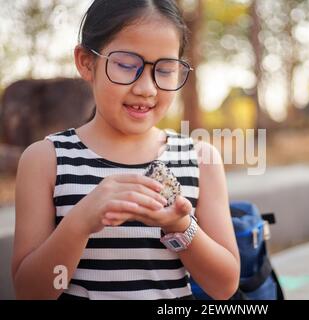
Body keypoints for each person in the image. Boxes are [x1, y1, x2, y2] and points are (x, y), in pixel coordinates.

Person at [12, 0, 240, 300]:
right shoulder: (47, 160)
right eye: (126, 65)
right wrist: (80, 223)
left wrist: (180, 226)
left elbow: (223, 287)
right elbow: (32, 293)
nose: (147, 88)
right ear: (85, 62)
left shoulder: (199, 159)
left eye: (166, 69)